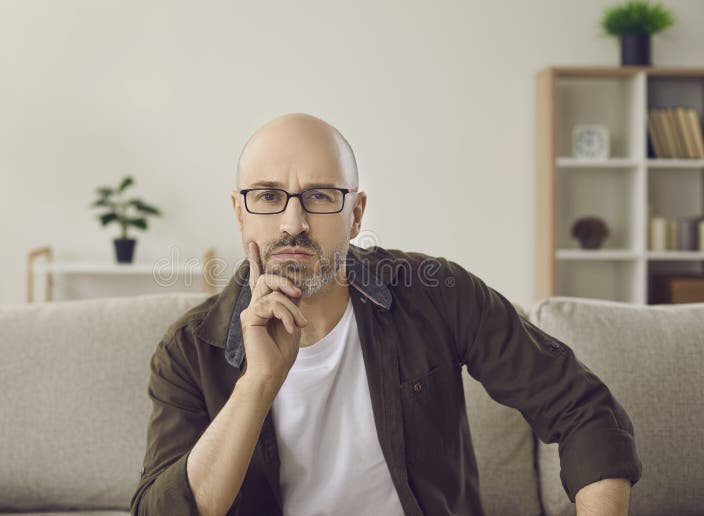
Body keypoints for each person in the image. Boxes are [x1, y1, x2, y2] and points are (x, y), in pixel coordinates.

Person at [129, 113, 641, 516]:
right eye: (267, 196)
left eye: (320, 196)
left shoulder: (438, 295)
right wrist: (258, 383)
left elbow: (582, 408)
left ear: (356, 214)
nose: (293, 222)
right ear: (240, 212)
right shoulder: (190, 349)